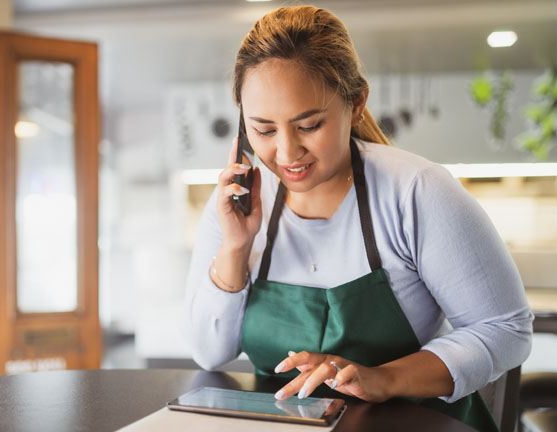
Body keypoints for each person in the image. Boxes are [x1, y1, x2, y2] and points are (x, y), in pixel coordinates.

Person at [185, 6, 533, 432]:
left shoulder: (417, 191)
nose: (287, 153)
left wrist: (384, 378)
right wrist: (235, 246)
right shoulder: (235, 203)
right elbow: (208, 353)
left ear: (356, 102)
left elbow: (506, 329)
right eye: (264, 130)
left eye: (308, 124)